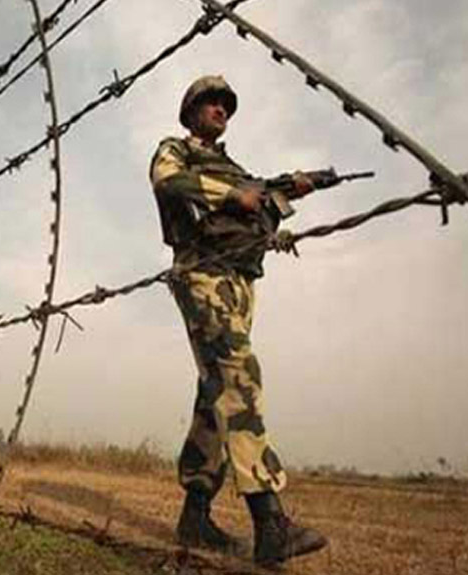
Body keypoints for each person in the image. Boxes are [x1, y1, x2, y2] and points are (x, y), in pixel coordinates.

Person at [149, 75, 328, 566]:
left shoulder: (236, 169)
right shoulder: (176, 150)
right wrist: (235, 195)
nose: (219, 109)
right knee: (239, 377)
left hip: (241, 280)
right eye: (210, 102)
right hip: (201, 272)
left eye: (225, 104)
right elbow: (167, 181)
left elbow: (259, 212)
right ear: (191, 112)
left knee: (216, 393)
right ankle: (270, 520)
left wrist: (289, 196)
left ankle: (195, 515)